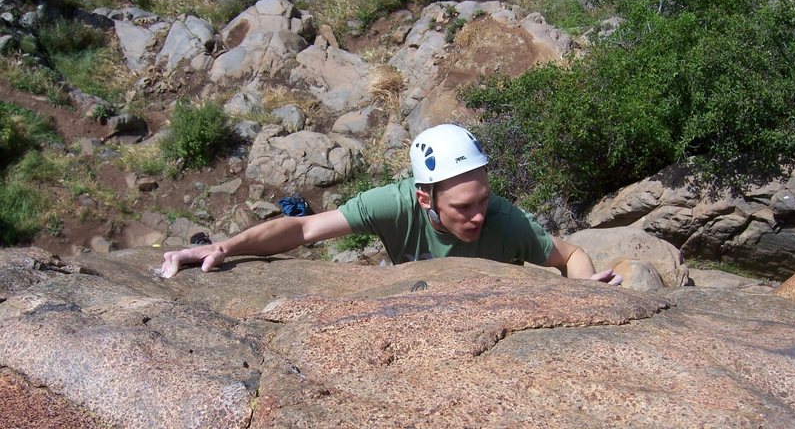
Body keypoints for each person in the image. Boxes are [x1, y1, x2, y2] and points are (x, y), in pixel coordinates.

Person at [160, 124, 622, 284]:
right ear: (425, 197)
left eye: (483, 198)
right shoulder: (394, 205)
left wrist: (585, 289)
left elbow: (572, 256)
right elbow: (303, 229)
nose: (479, 214)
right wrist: (225, 246)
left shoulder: (504, 219)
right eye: (463, 206)